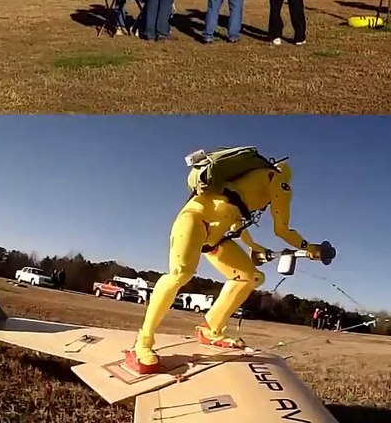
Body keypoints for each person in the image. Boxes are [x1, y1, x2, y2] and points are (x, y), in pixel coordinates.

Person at [126, 148, 334, 374]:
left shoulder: (249, 182)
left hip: (215, 238)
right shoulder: (280, 183)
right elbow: (282, 230)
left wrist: (255, 247)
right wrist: (308, 247)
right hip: (195, 220)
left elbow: (235, 223)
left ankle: (211, 329)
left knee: (250, 276)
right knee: (180, 273)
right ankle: (143, 342)